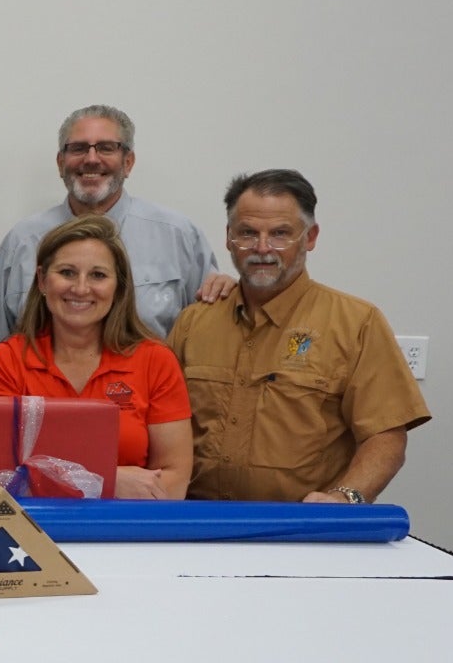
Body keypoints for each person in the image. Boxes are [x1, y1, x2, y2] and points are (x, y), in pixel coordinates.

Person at [168, 169, 429, 503]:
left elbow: (386, 436)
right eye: (247, 233)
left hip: (305, 530)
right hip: (198, 526)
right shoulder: (194, 321)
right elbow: (157, 425)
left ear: (310, 237)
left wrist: (345, 497)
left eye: (280, 234)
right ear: (229, 237)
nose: (262, 248)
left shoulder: (356, 323)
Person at [0, 216, 193, 500]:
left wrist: (53, 482)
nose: (81, 288)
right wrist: (106, 482)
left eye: (98, 275)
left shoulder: (156, 361)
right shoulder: (7, 361)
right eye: (67, 272)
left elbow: (174, 481)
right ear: (42, 280)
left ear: (118, 287)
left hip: (129, 532)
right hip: (32, 530)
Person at [0, 104, 231, 344]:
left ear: (128, 162)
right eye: (78, 148)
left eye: (106, 148)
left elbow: (206, 339)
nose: (91, 159)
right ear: (61, 162)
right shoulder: (21, 241)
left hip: (154, 383)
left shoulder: (179, 236)